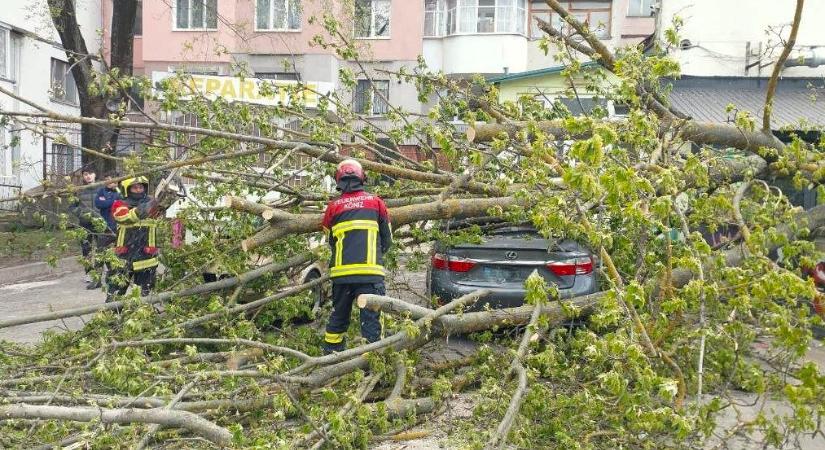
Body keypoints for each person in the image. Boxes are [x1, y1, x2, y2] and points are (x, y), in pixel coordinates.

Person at [321, 159, 393, 354]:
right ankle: (372, 363)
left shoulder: (333, 207)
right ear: (362, 178)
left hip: (341, 277)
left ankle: (331, 359)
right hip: (370, 276)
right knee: (372, 325)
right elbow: (387, 239)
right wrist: (375, 256)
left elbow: (330, 240)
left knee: (337, 320)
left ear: (338, 180)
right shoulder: (376, 203)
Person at [107, 176, 161, 301]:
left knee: (145, 295)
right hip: (125, 255)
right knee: (116, 290)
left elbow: (160, 213)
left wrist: (166, 198)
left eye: (141, 187)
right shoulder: (120, 204)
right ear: (127, 189)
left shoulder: (152, 203)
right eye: (135, 187)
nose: (138, 190)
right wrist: (143, 209)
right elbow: (124, 217)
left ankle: (143, 311)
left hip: (147, 256)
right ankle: (112, 311)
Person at [68, 167, 101, 289]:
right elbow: (72, 207)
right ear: (82, 176)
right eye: (85, 174)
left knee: (101, 249)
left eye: (90, 173)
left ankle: (99, 273)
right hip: (85, 223)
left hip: (100, 223)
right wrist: (82, 214)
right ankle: (89, 273)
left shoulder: (102, 188)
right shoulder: (79, 191)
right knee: (86, 249)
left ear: (95, 174)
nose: (88, 176)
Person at [92, 172, 122, 289]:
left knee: (115, 254)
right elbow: (98, 203)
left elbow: (121, 203)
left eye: (112, 180)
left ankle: (113, 278)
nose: (109, 182)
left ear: (117, 181)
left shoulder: (120, 192)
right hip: (105, 227)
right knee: (100, 253)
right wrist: (112, 202)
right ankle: (97, 279)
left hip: (117, 227)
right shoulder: (101, 191)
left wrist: (109, 201)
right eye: (107, 180)